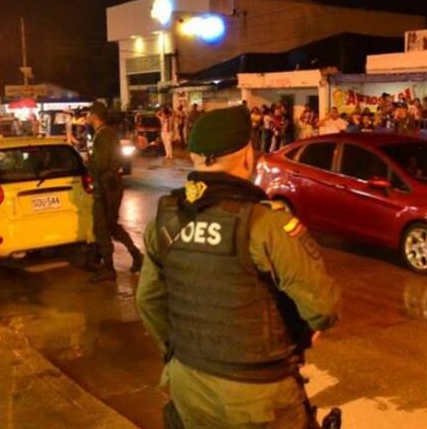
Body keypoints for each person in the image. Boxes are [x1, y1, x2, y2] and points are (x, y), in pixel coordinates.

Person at [135, 105, 341, 428]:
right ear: (248, 156)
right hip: (257, 395)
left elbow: (147, 301)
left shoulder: (166, 216)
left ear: (195, 158)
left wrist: (183, 352)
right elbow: (323, 307)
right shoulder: (264, 223)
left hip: (188, 383)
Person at [87, 102, 144, 282]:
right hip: (110, 185)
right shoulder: (107, 134)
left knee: (102, 226)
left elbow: (101, 163)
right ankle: (135, 255)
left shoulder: (103, 135)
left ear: (95, 116)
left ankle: (109, 267)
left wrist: (88, 165)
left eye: (89, 114)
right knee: (110, 225)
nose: (87, 117)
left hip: (105, 186)